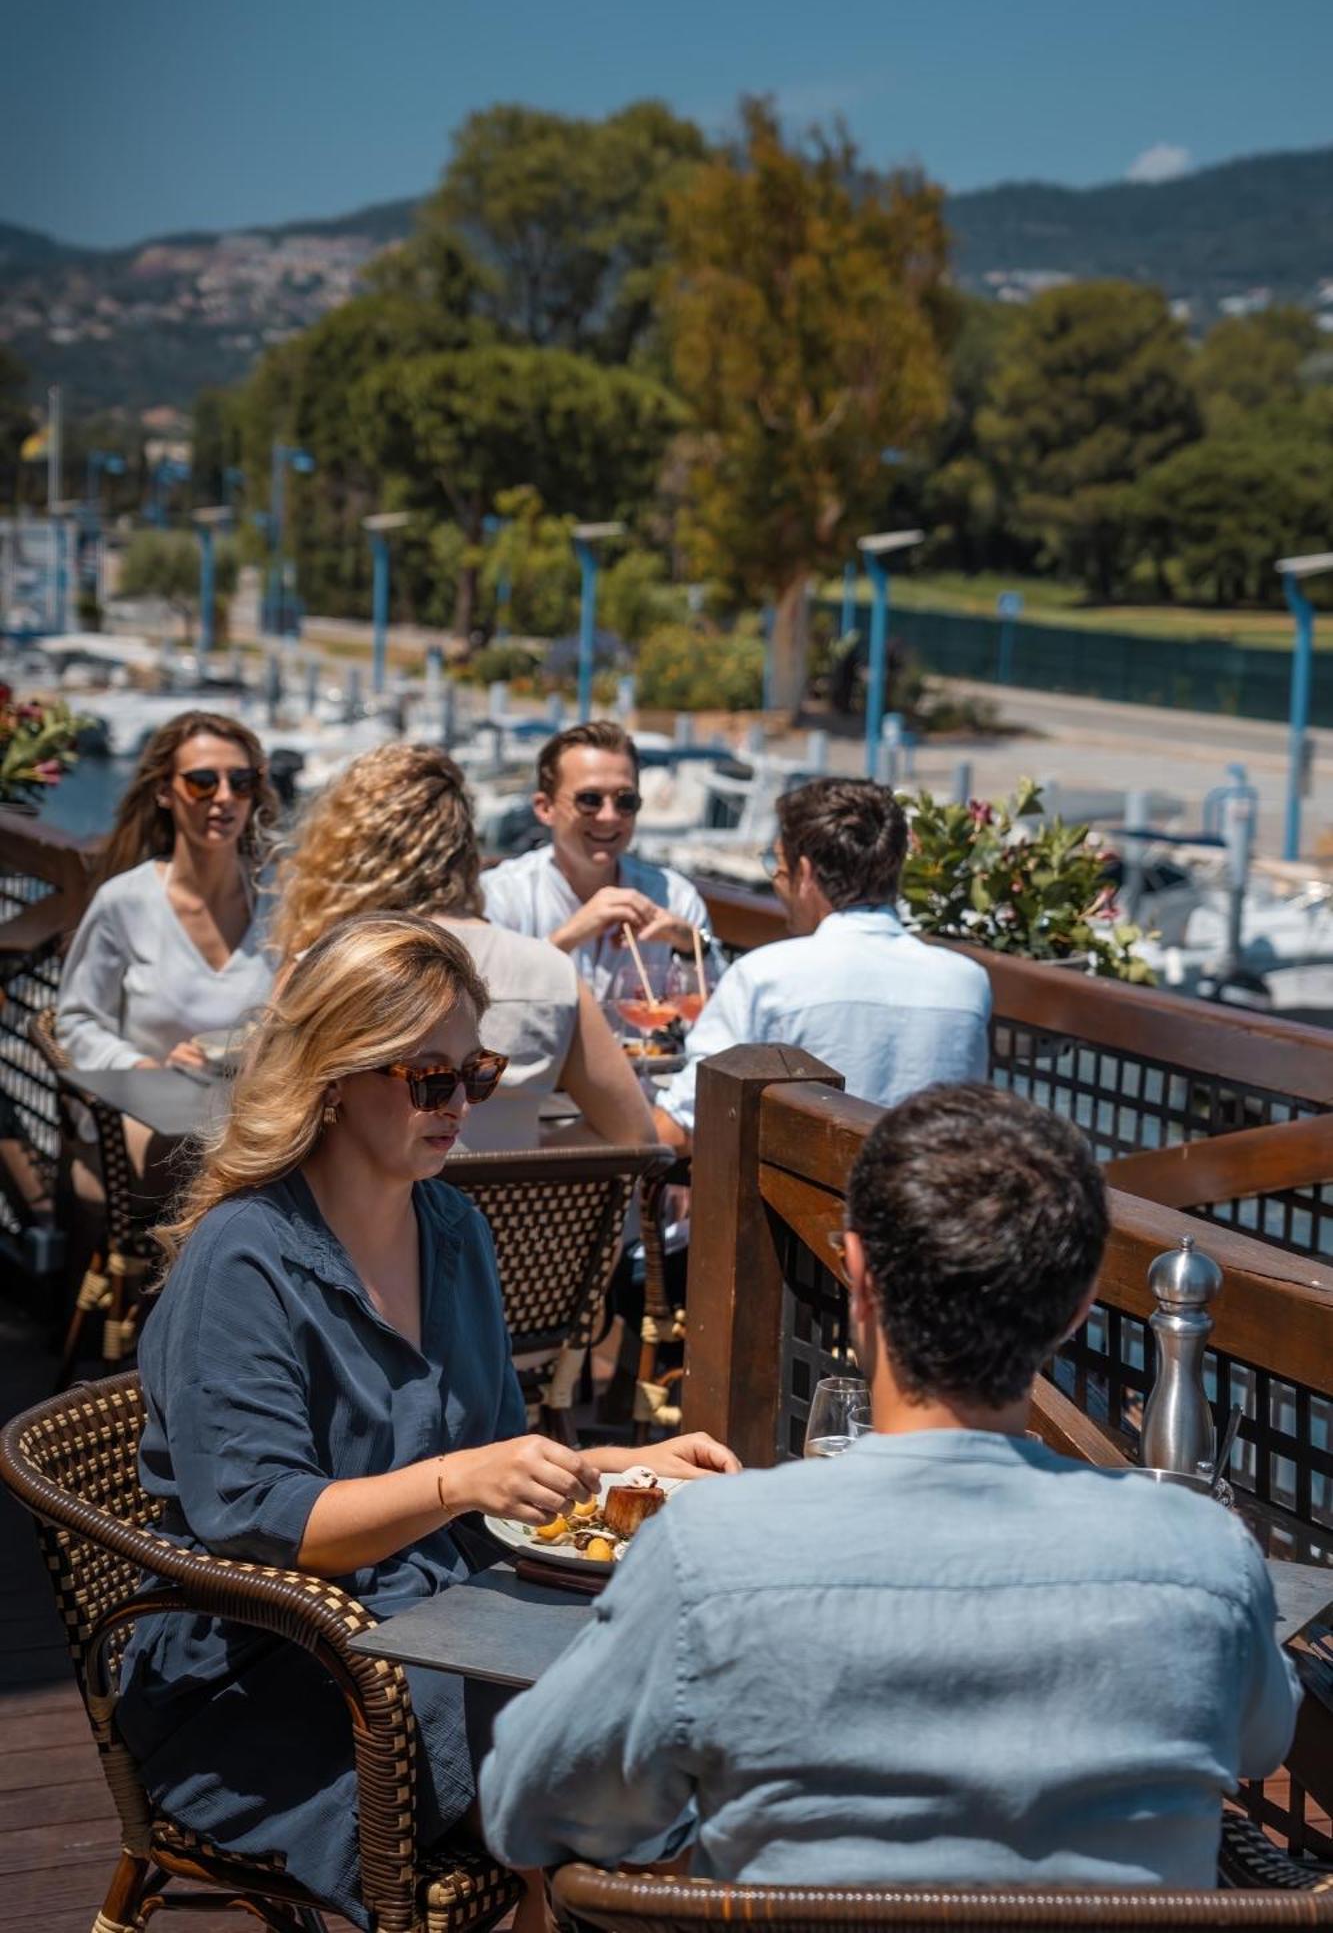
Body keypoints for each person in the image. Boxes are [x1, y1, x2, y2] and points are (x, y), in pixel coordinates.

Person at [481, 1083, 1300, 1887]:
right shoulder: (1204, 1558)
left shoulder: (710, 1552)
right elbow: (1261, 1739)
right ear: (1078, 1306)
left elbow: (527, 1807)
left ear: (858, 1276)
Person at [115, 912, 737, 1929]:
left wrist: (619, 1464)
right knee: (611, 1730)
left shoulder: (451, 1227)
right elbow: (257, 1517)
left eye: (475, 1074)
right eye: (429, 1079)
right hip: (275, 1665)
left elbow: (483, 1448)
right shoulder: (245, 1256)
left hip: (437, 1613)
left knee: (674, 1670)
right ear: (333, 1076)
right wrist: (460, 1480)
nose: (460, 1104)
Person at [271, 742, 654, 1150]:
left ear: (346, 852)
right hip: (510, 1212)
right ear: (467, 847)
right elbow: (634, 1134)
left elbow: (275, 1130)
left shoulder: (318, 972)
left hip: (362, 1214)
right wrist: (525, 1157)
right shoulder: (552, 972)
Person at [653, 778, 991, 1151]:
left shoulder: (765, 978)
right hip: (930, 1202)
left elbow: (682, 1125)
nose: (776, 879)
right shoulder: (968, 983)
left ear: (806, 873)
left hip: (803, 1207)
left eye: (775, 864)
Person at [57, 709, 277, 1072]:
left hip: (261, 1116)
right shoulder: (125, 902)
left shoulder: (282, 900)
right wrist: (148, 1070)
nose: (224, 796)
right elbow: (78, 1023)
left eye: (240, 781)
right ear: (164, 791)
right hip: (153, 1112)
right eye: (202, 781)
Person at [480, 720, 712, 999]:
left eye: (625, 801)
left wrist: (691, 947)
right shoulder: (501, 895)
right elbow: (481, 1006)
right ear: (545, 808)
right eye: (589, 800)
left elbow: (711, 1022)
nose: (609, 816)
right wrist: (566, 938)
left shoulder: (676, 898)